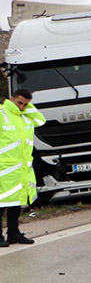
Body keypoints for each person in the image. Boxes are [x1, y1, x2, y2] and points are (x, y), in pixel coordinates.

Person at [0, 89, 45, 247]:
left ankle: (13, 233)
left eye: (25, 104)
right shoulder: (2, 114)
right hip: (4, 168)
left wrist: (27, 107)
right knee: (1, 203)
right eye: (19, 103)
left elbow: (40, 120)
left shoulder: (25, 116)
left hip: (21, 168)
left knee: (16, 202)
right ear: (11, 99)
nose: (22, 107)